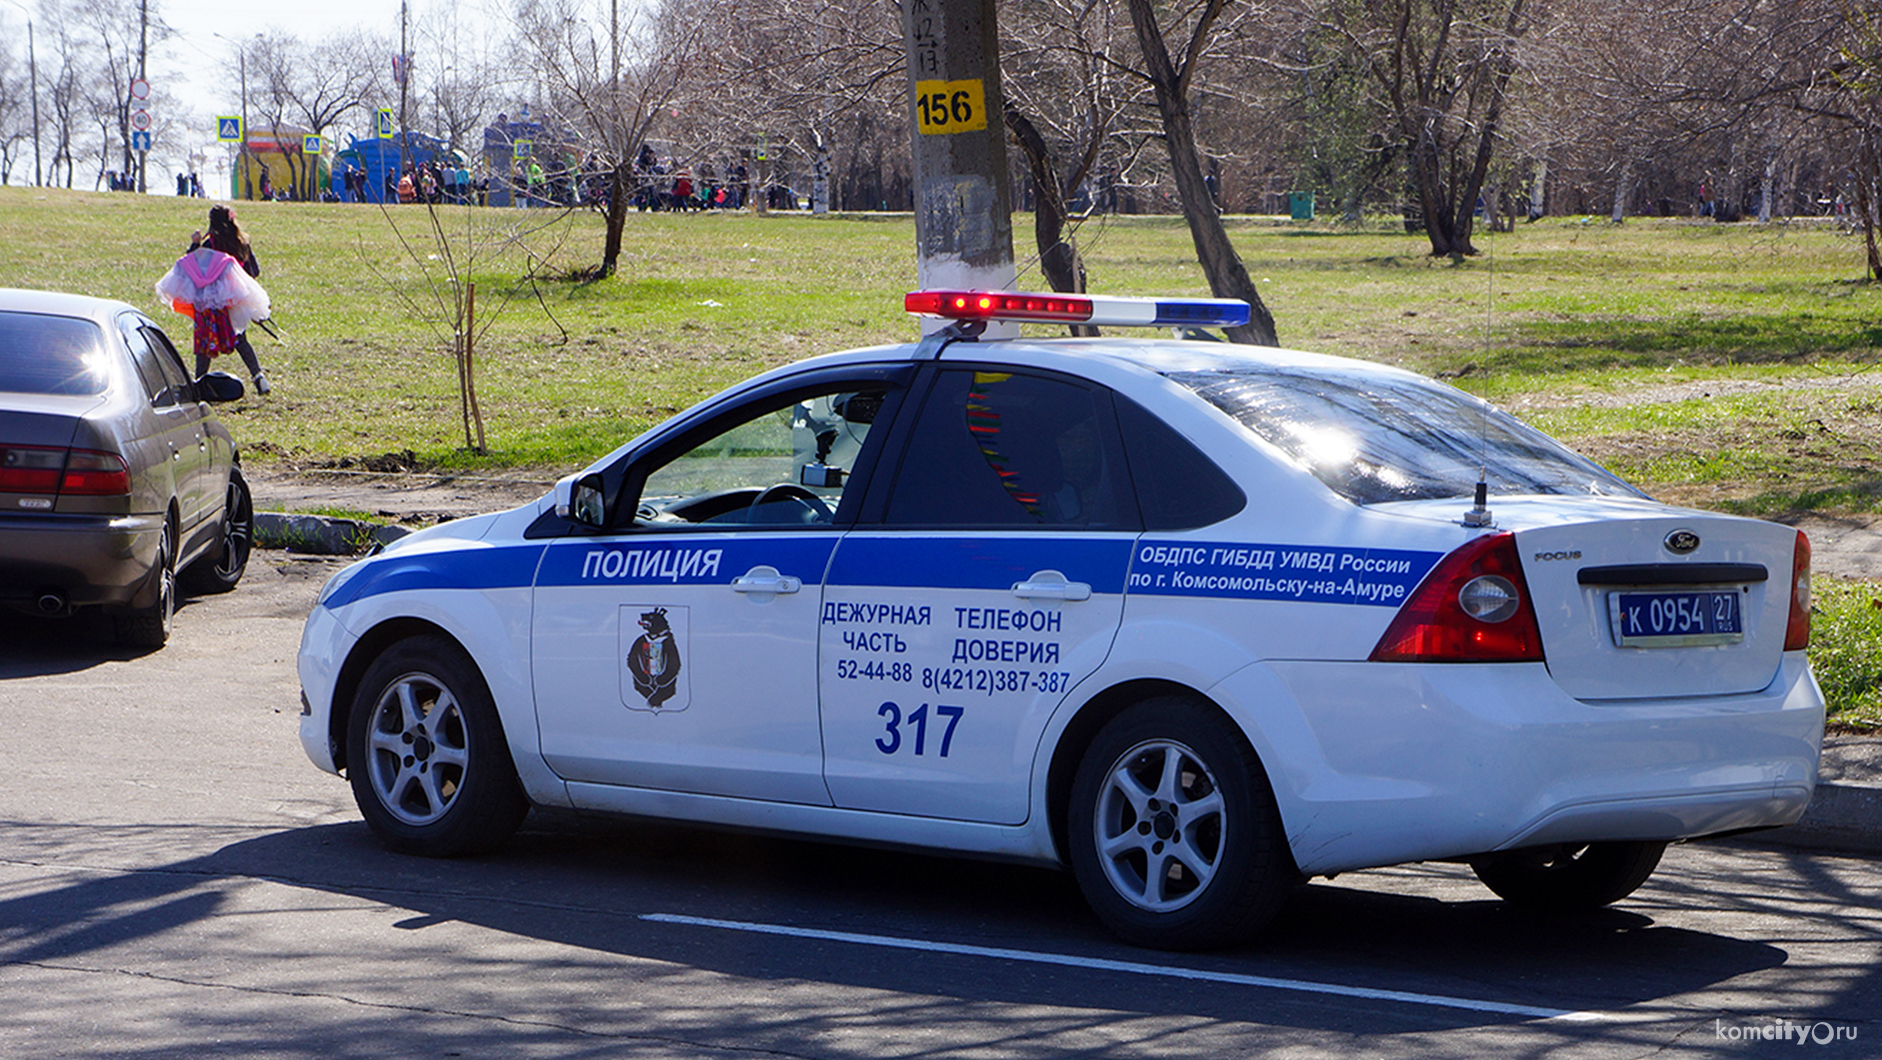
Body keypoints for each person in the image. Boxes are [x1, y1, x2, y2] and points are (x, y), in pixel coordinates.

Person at [180, 204, 273, 394]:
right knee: (240, 339)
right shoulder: (242, 242)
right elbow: (254, 271)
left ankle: (199, 382)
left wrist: (194, 245)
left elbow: (192, 268)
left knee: (205, 341)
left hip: (211, 302)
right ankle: (259, 377)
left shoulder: (209, 246)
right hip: (235, 301)